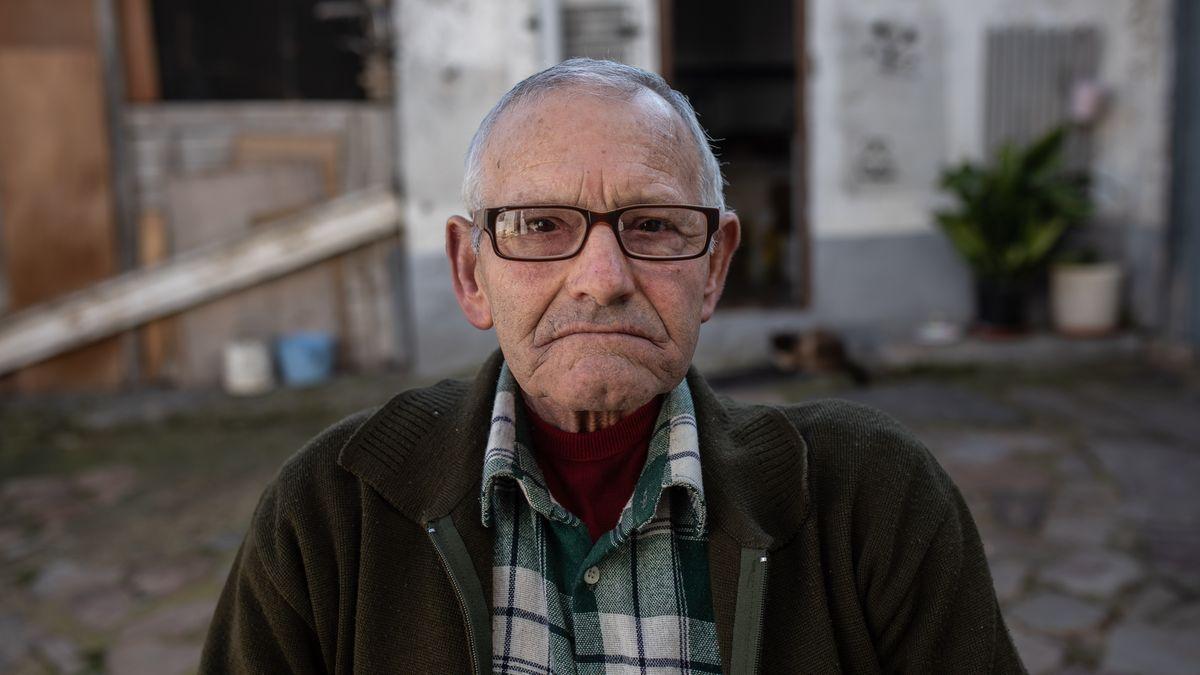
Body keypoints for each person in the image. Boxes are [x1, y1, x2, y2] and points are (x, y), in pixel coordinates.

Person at [201, 58, 1024, 674]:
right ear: (469, 272)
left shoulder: (871, 498)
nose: (601, 278)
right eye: (539, 224)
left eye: (655, 225)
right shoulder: (331, 509)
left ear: (715, 267)